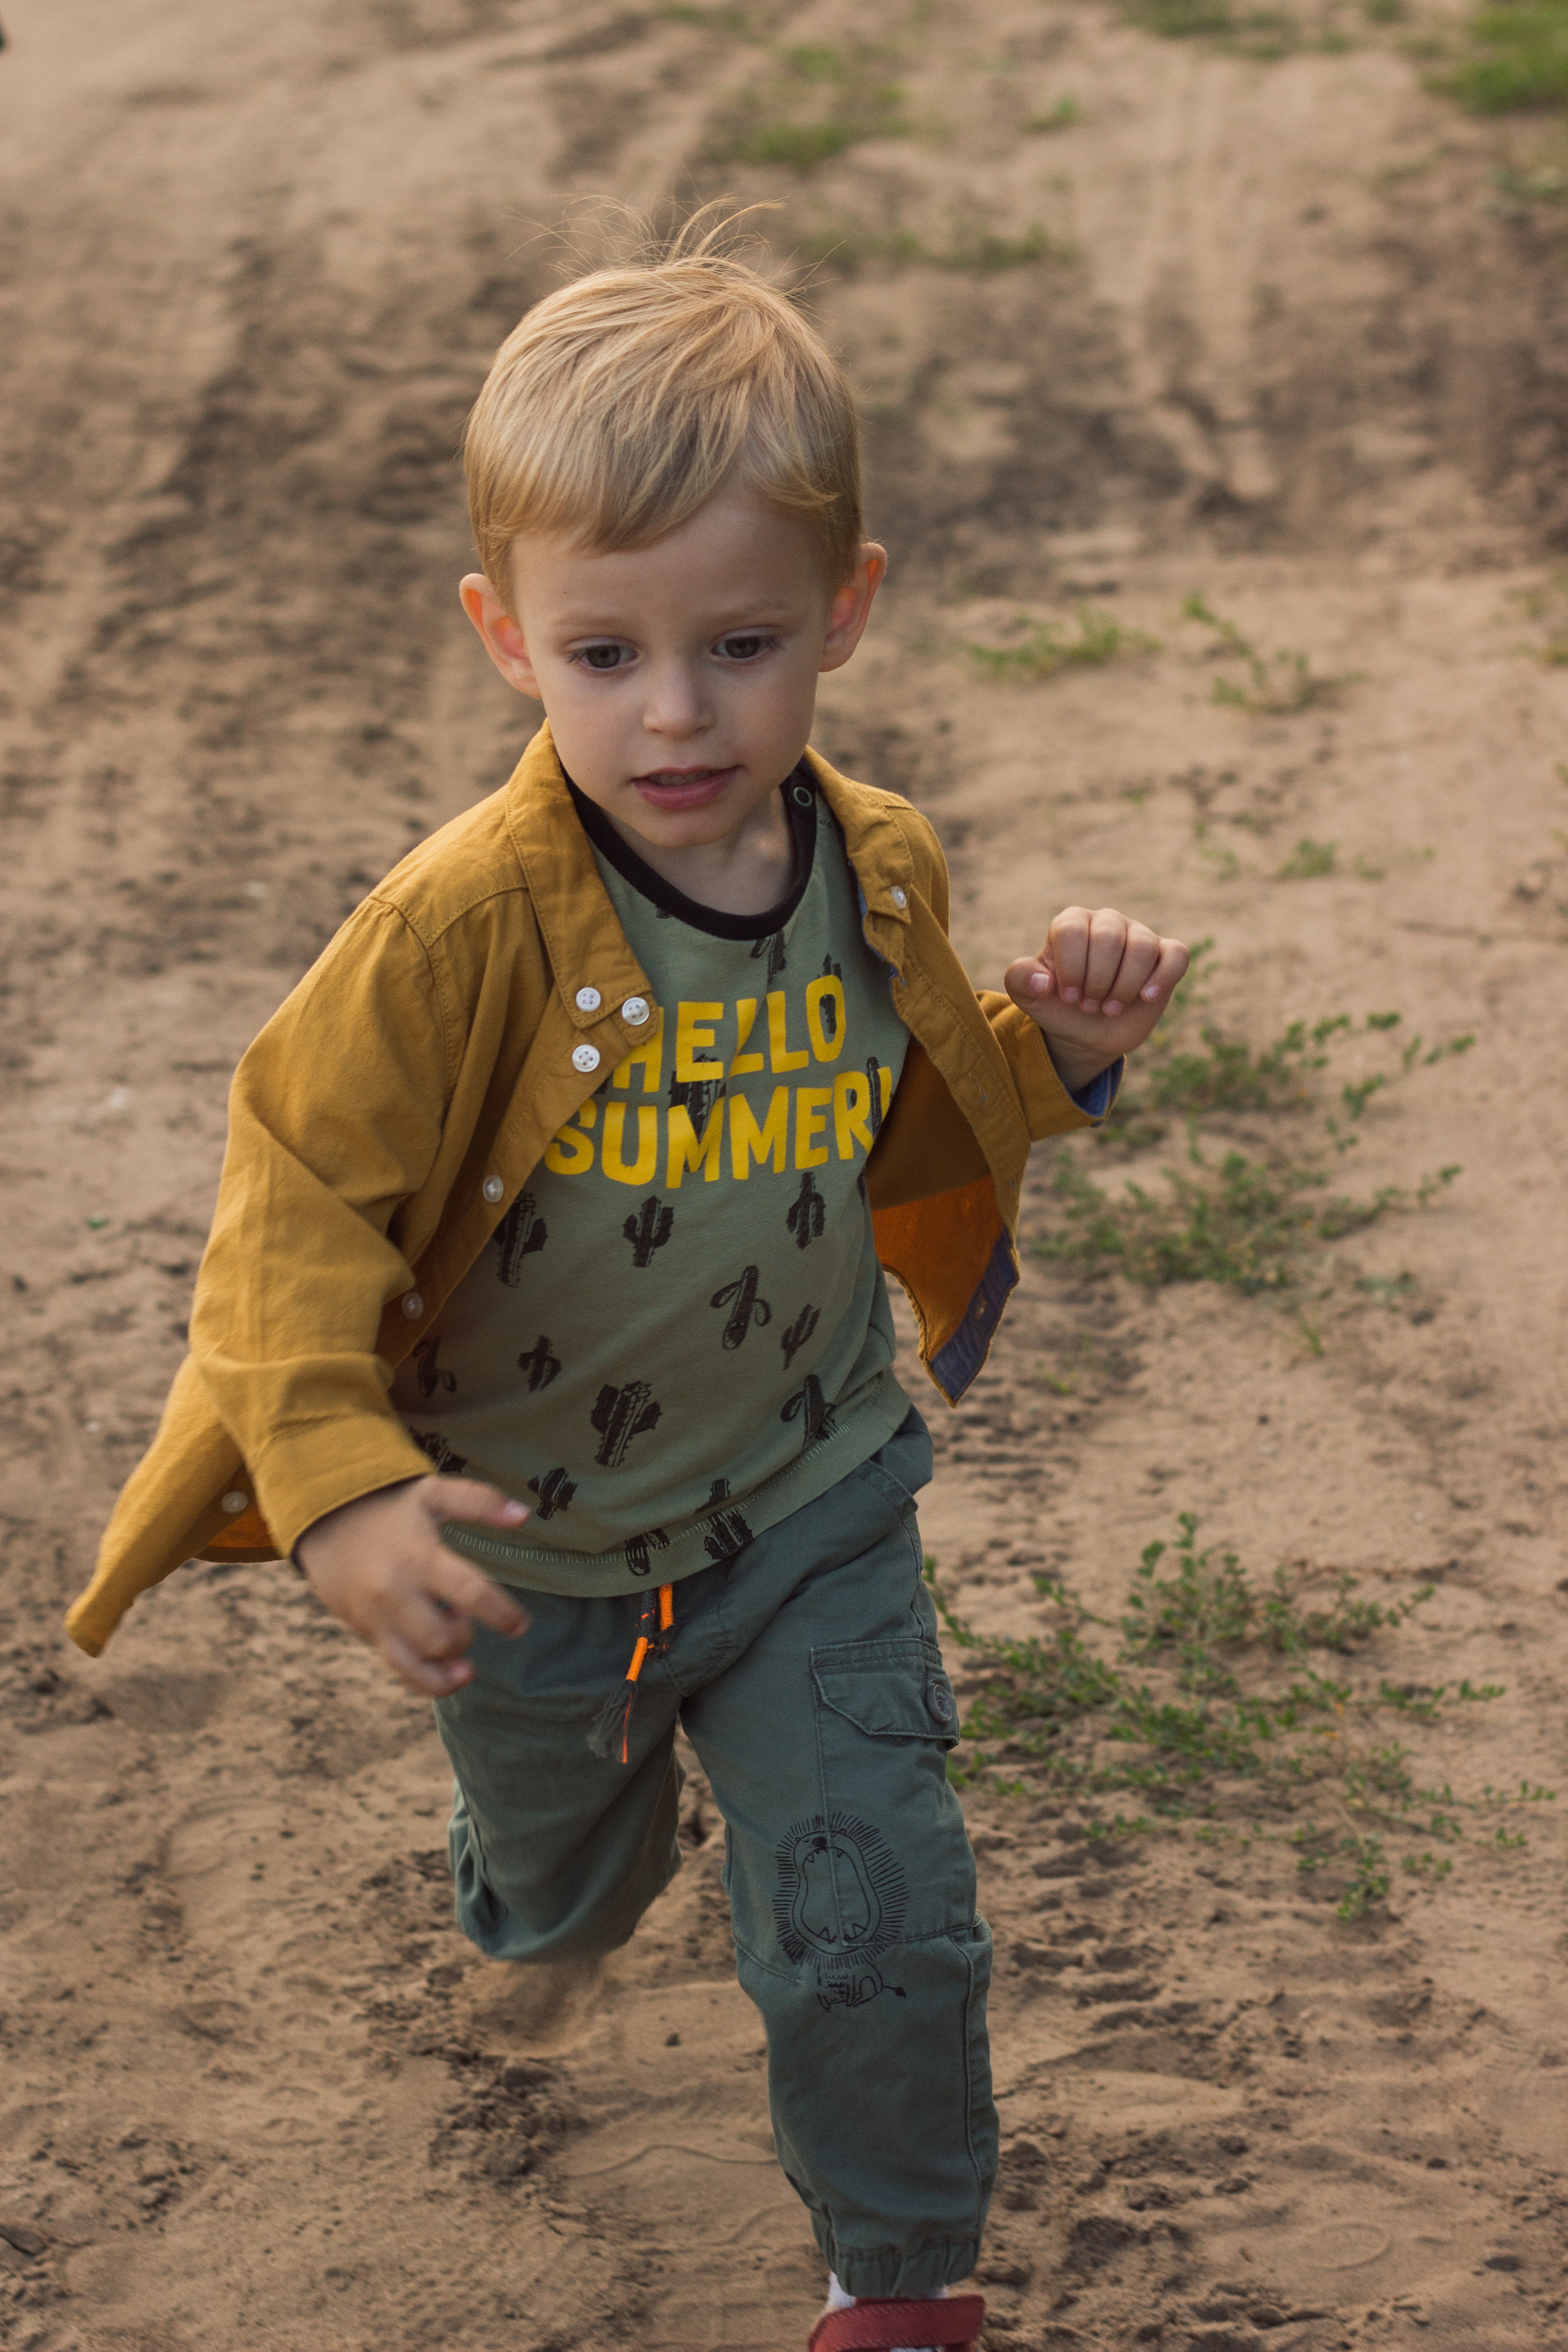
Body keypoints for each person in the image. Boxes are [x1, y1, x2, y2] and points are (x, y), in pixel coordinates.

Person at [66, 222, 1188, 2352]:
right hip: (532, 1551)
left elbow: (905, 1126)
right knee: (562, 1870)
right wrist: (342, 1486)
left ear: (845, 615)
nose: (677, 713)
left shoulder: (877, 868)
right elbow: (291, 1202)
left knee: (877, 1911)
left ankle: (901, 2279)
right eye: (606, 656)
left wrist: (1070, 1058)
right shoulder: (458, 929)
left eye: (743, 643)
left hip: (807, 1495)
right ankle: (566, 1883)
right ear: (508, 636)